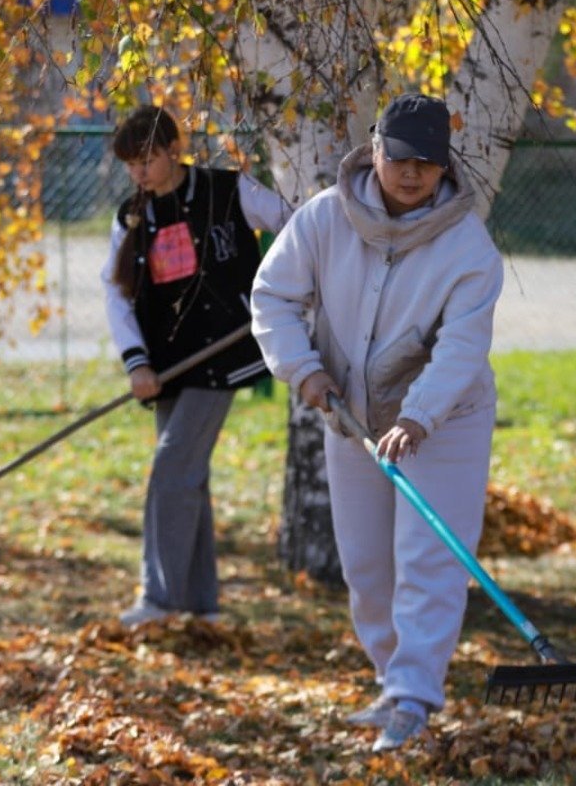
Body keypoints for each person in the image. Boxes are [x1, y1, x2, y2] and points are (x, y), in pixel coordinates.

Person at [249, 92, 503, 752]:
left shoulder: (468, 248)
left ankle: (415, 695)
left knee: (428, 559)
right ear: (374, 149)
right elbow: (272, 296)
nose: (412, 173)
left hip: (443, 421)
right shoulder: (325, 218)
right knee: (366, 567)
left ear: (444, 166)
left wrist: (420, 416)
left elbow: (461, 348)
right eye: (400, 158)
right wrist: (303, 370)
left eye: (427, 162)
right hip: (352, 417)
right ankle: (393, 680)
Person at [101, 104, 292, 626]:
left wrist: (281, 298)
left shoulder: (227, 191)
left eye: (147, 159)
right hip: (167, 366)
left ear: (172, 151)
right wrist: (136, 362)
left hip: (222, 356)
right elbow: (115, 295)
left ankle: (160, 599)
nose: (139, 172)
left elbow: (295, 227)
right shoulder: (132, 215)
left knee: (171, 469)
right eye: (130, 163)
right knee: (188, 477)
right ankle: (201, 603)